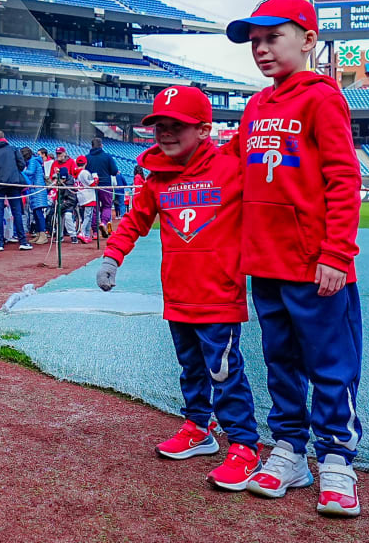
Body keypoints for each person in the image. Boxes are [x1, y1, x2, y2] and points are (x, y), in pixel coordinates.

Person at [224, 0, 365, 517]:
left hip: (315, 264)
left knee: (330, 365)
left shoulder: (322, 97)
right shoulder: (257, 105)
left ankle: (337, 459)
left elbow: (343, 179)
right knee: (280, 361)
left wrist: (335, 252)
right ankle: (290, 449)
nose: (261, 49)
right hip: (265, 262)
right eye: (254, 42)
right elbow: (237, 171)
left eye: (271, 37)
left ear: (308, 40)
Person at [97, 86, 259, 490]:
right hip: (178, 296)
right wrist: (111, 257)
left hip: (219, 296)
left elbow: (255, 131)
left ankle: (244, 446)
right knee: (190, 368)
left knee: (224, 371)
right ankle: (198, 428)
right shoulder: (156, 178)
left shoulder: (231, 167)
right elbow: (135, 221)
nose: (166, 134)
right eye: (159, 127)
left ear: (205, 130)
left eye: (177, 127)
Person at [87, 132, 124, 220]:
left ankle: (95, 231)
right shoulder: (107, 157)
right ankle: (104, 223)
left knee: (95, 208)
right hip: (105, 185)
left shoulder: (87, 158)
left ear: (92, 146)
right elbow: (114, 171)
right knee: (107, 206)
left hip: (92, 186)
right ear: (101, 146)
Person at [23, 146, 51, 241]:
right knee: (35, 213)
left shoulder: (33, 161)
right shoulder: (33, 161)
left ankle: (43, 235)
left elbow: (30, 172)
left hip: (37, 189)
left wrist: (21, 171)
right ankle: (39, 234)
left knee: (38, 213)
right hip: (35, 189)